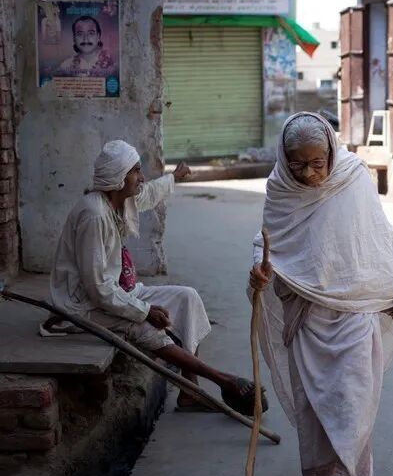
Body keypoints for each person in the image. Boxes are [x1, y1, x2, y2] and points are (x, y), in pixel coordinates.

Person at [248, 112, 393, 476]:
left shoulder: (354, 175)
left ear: (331, 152)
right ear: (285, 159)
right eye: (298, 164)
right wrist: (259, 270)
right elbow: (268, 242)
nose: (308, 174)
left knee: (352, 402)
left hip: (355, 308)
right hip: (306, 315)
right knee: (314, 406)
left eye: (317, 163)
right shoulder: (280, 186)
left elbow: (381, 231)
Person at [47, 140, 266, 416]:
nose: (141, 177)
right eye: (136, 171)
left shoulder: (120, 200)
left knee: (187, 297)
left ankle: (189, 390)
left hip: (117, 292)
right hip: (83, 306)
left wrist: (174, 177)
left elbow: (149, 194)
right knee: (144, 327)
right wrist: (145, 310)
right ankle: (223, 380)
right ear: (118, 178)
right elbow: (98, 289)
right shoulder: (94, 215)